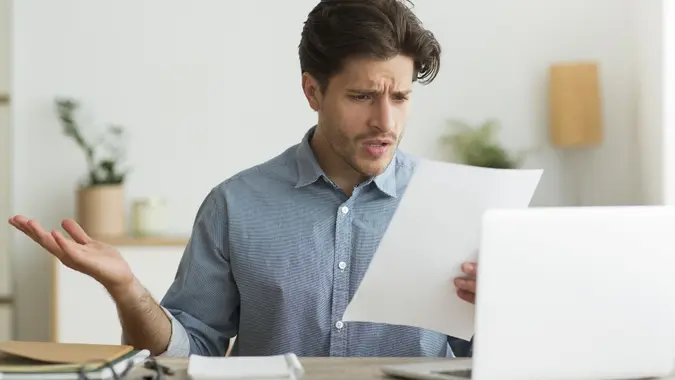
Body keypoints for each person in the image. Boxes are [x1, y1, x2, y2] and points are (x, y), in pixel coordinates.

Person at [8, 0, 477, 358]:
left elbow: (491, 359)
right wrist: (127, 290)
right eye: (362, 96)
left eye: (400, 97)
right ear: (313, 91)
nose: (386, 122)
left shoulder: (452, 204)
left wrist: (503, 312)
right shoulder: (235, 205)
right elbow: (186, 354)